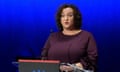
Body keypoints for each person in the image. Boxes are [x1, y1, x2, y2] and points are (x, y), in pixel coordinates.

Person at [41, 4, 98, 72]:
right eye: (62, 16)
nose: (66, 19)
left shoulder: (86, 36)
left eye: (70, 15)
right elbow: (44, 58)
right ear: (59, 19)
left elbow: (92, 59)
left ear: (76, 18)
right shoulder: (52, 37)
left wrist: (73, 68)